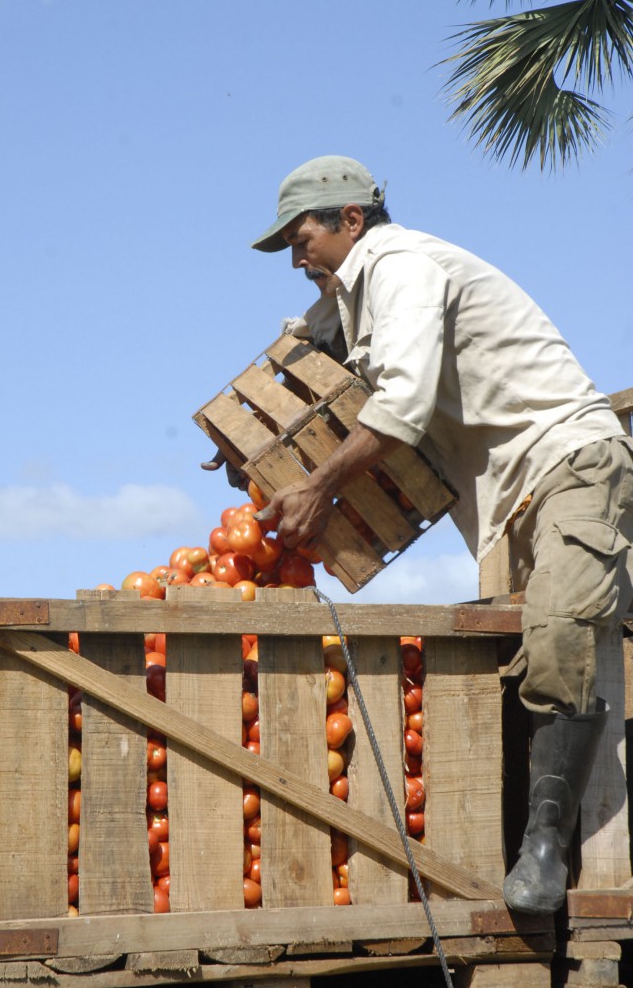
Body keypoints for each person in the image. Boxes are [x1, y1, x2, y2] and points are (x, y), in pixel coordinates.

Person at [243, 155, 633, 915]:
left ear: (351, 220)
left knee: (560, 636)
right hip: (507, 502)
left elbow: (403, 406)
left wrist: (320, 487)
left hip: (570, 462)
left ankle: (547, 849)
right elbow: (299, 361)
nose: (296, 258)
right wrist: (246, 449)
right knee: (519, 660)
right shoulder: (349, 293)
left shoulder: (402, 267)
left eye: (302, 238)